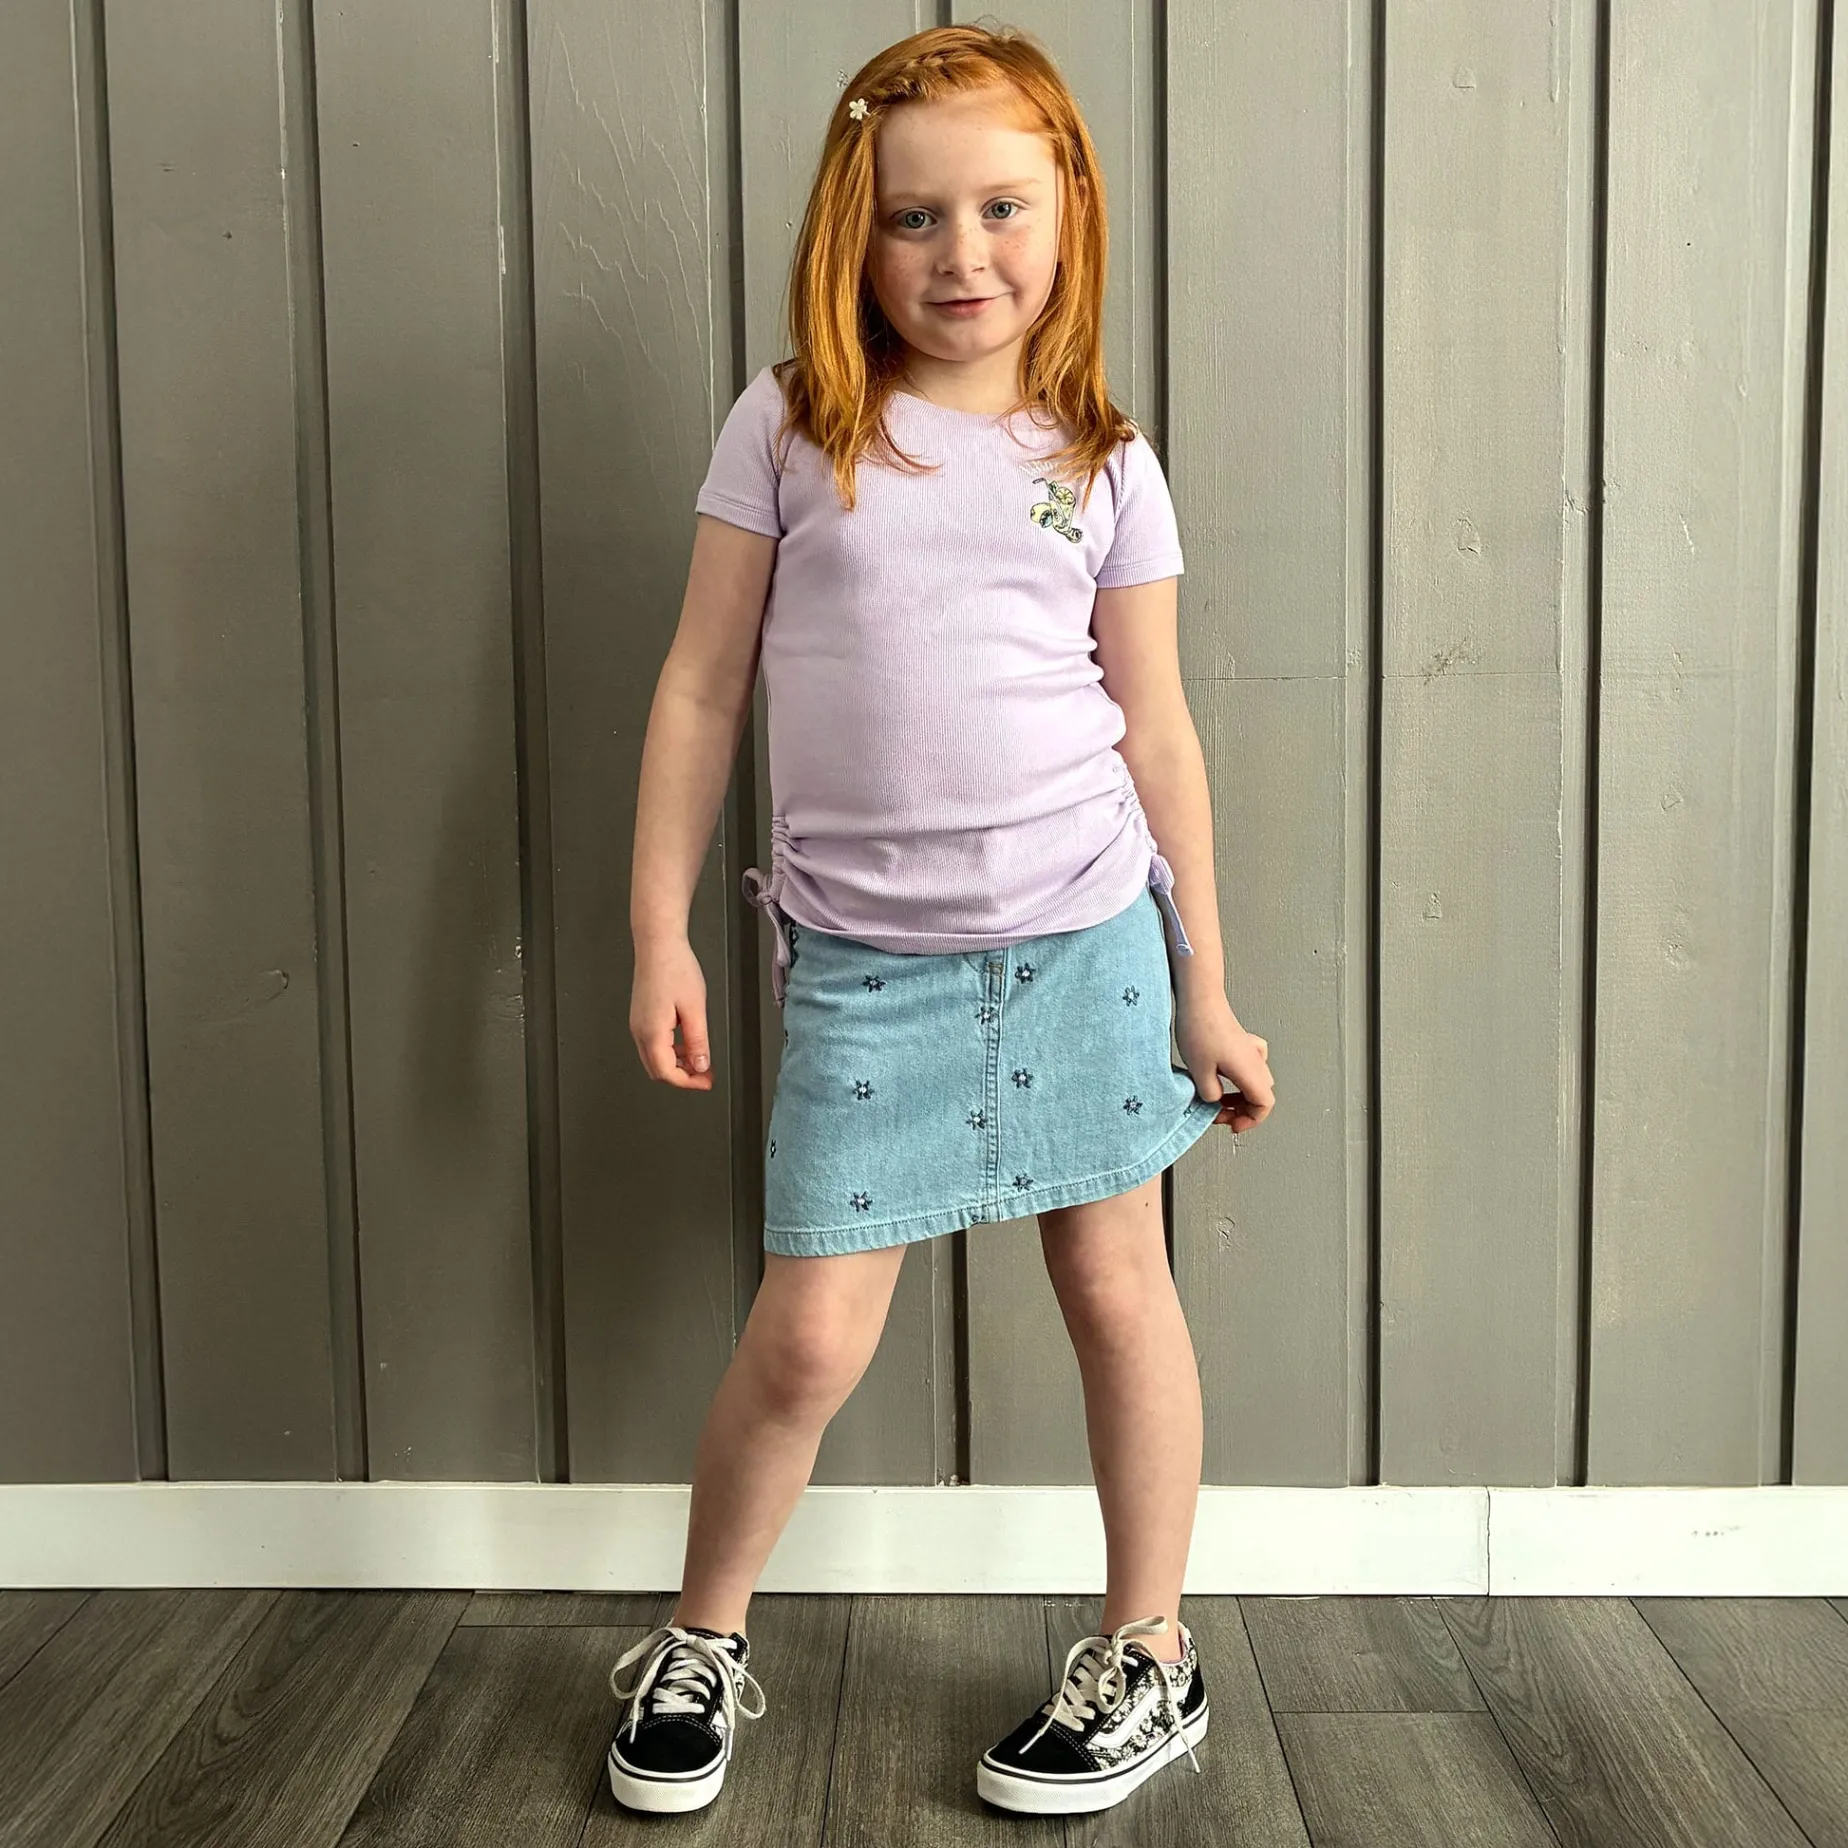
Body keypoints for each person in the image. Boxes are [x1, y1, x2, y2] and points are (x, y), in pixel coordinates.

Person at [608, 20, 1275, 1821]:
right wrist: (660, 930)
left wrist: (1206, 984)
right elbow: (700, 688)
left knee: (1118, 1291)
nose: (961, 254)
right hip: (869, 965)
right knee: (811, 1338)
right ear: (857, 231)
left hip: (1087, 939)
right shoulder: (792, 425)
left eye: (1000, 208)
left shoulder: (1105, 458)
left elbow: (1157, 730)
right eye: (915, 217)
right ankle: (702, 1637)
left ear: (1068, 216)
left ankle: (1151, 1649)